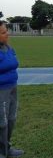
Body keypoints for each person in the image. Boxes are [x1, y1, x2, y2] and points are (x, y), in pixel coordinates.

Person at [0, 21, 24, 158]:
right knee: (2, 123)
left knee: (11, 119)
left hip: (13, 87)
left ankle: (7, 149)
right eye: (3, 33)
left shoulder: (8, 48)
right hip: (1, 90)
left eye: (6, 31)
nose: (7, 34)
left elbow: (14, 63)